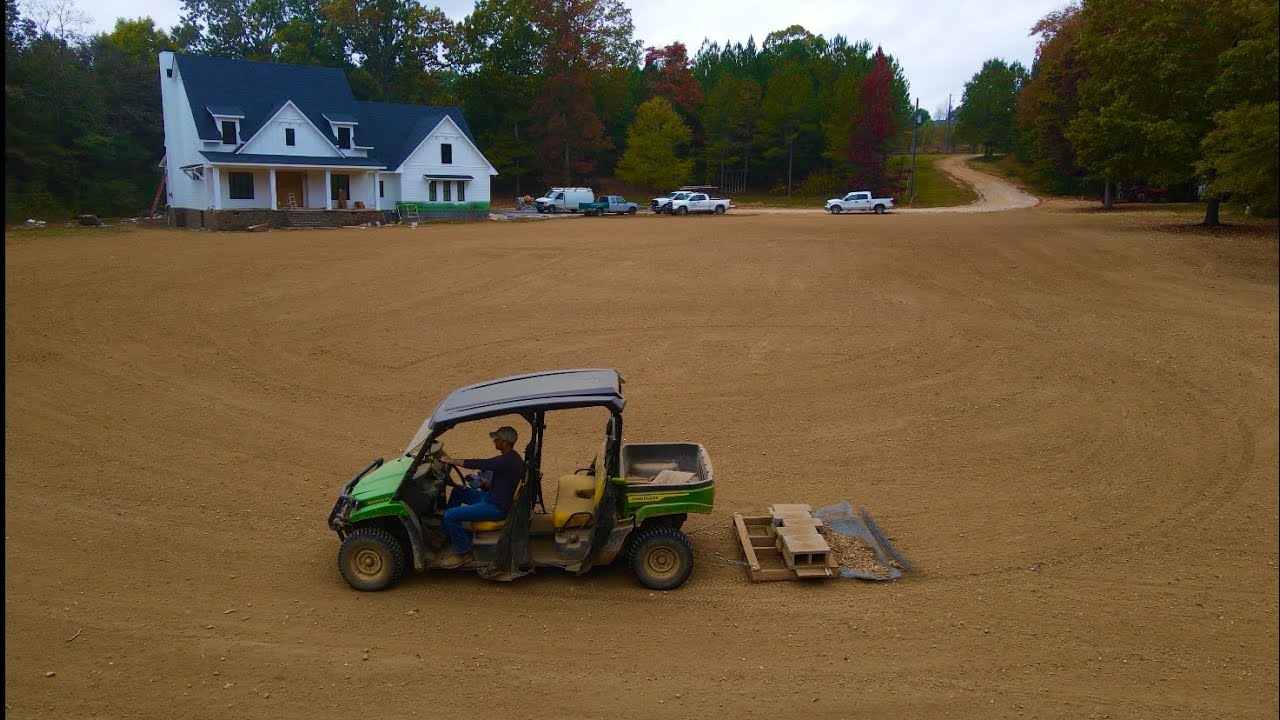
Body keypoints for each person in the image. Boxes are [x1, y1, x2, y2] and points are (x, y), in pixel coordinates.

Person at [435, 425, 524, 568]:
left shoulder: (505, 461)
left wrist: (451, 461)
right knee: (458, 492)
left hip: (495, 507)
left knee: (449, 515)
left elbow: (477, 463)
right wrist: (487, 483)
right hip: (492, 496)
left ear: (505, 443)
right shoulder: (513, 458)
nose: (494, 441)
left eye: (497, 439)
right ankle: (445, 533)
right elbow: (505, 481)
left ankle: (463, 552)